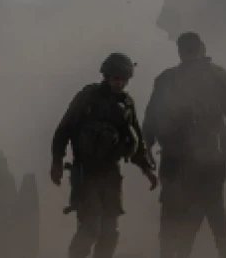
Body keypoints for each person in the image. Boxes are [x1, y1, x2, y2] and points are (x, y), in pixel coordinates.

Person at [142, 31, 226, 258]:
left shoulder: (167, 79)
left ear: (180, 52)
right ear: (201, 49)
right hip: (209, 157)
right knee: (213, 211)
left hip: (179, 159)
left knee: (174, 216)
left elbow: (150, 121)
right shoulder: (219, 77)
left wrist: (146, 152)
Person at [50, 52, 158, 258]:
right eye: (116, 78)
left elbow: (135, 139)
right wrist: (56, 162)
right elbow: (64, 129)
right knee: (90, 229)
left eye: (124, 80)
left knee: (109, 234)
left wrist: (147, 170)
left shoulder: (126, 104)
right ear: (107, 76)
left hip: (111, 174)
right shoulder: (88, 97)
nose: (120, 84)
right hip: (86, 172)